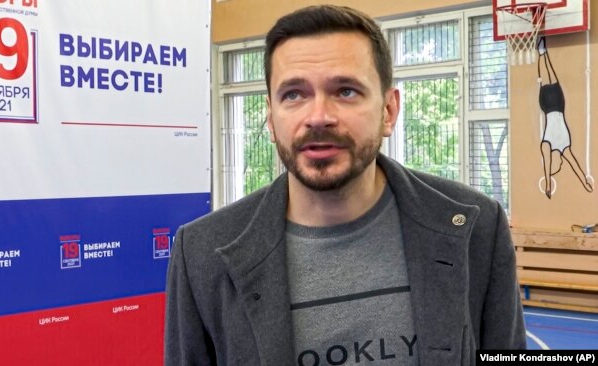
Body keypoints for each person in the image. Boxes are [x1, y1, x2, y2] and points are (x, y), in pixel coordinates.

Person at [166, 5, 525, 365]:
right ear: (271, 119)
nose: (319, 116)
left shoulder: (477, 229)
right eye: (293, 94)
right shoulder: (201, 253)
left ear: (388, 110)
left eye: (346, 91)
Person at [537, 37, 593, 199]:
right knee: (552, 80)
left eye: (558, 165)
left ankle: (541, 55)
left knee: (543, 80)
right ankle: (543, 53)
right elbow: (576, 166)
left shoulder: (546, 145)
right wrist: (584, 182)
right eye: (560, 164)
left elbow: (547, 166)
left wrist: (548, 183)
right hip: (558, 106)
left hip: (548, 108)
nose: (560, 163)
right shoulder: (564, 148)